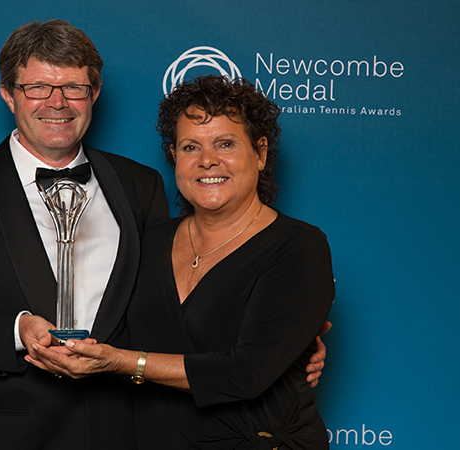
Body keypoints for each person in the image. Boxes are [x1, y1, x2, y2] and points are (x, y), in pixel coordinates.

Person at [0, 20, 327, 450]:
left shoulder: (138, 185)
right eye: (37, 87)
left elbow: (169, 308)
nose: (57, 102)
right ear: (6, 95)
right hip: (4, 435)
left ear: (93, 93)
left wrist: (288, 347)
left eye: (73, 87)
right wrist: (16, 331)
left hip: (127, 431)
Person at [28, 75, 335, 449]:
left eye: (226, 144)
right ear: (174, 156)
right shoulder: (151, 240)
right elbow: (110, 322)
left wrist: (121, 362)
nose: (208, 161)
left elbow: (247, 373)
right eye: (191, 147)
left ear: (260, 153)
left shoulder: (299, 246)